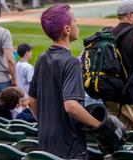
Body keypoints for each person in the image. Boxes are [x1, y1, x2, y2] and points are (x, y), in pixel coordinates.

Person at [28, 4, 101, 159]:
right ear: (67, 30)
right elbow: (71, 106)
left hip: (46, 145)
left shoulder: (42, 58)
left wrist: (48, 125)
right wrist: (98, 125)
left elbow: (31, 101)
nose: (77, 23)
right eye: (74, 20)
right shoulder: (71, 62)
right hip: (69, 149)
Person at [104, 1, 133, 131]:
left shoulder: (109, 34)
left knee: (119, 136)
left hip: (110, 96)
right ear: (130, 16)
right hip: (131, 97)